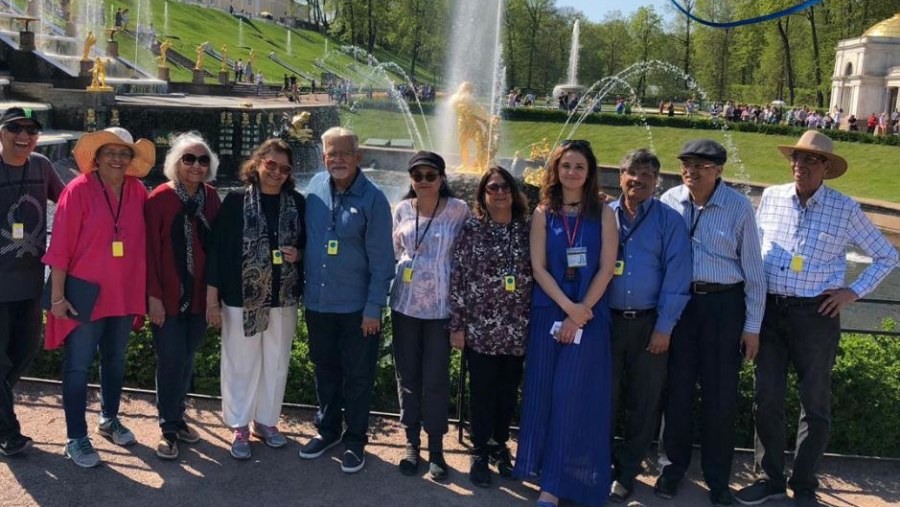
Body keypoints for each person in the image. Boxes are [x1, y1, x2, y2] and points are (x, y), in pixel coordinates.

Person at [736, 131, 898, 507]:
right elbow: (753, 249)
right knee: (766, 399)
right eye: (796, 158)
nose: (800, 166)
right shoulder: (772, 198)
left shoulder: (845, 209)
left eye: (810, 160)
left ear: (826, 167)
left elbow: (887, 256)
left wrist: (852, 292)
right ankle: (770, 478)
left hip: (816, 316)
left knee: (815, 403)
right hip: (771, 312)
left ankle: (805, 485)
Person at [656, 139, 766, 505]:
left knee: (720, 395)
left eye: (701, 166)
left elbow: (753, 271)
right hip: (681, 307)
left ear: (719, 170)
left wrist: (752, 326)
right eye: (686, 164)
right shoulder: (670, 200)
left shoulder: (737, 207)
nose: (691, 171)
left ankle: (718, 478)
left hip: (723, 306)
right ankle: (673, 467)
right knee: (678, 391)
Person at [513, 140, 618, 507]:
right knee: (543, 394)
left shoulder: (604, 213)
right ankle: (546, 475)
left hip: (590, 317)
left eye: (579, 167)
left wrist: (581, 311)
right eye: (565, 166)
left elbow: (607, 269)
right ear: (555, 170)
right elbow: (538, 268)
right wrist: (567, 308)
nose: (571, 172)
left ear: (589, 173)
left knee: (572, 397)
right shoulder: (544, 212)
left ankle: (557, 485)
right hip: (550, 312)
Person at [43, 127, 155, 468]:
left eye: (124, 153)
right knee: (78, 366)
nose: (118, 159)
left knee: (115, 361)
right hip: (84, 296)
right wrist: (57, 297)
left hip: (123, 294)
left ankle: (109, 418)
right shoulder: (77, 190)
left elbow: (148, 244)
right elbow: (59, 247)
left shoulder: (138, 191)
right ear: (97, 157)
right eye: (111, 152)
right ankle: (76, 437)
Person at [299, 127, 393, 473]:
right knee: (325, 370)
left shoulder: (374, 198)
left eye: (344, 153)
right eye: (331, 154)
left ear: (358, 157)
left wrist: (374, 308)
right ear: (323, 157)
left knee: (357, 376)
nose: (337, 159)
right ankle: (328, 431)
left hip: (356, 309)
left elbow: (383, 262)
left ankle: (355, 439)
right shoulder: (313, 189)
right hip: (318, 303)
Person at [206, 139, 304, 460]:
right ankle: (239, 424)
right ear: (258, 163)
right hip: (240, 298)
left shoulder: (298, 203)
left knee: (276, 363)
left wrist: (299, 253)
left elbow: (308, 247)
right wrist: (212, 300)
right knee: (240, 362)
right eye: (271, 164)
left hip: (283, 297)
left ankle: (266, 421)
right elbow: (217, 253)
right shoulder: (235, 202)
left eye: (284, 168)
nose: (277, 172)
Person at [606, 149, 691, 503]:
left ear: (656, 182)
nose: (637, 180)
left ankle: (626, 473)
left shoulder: (669, 221)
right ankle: (602, 464)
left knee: (643, 403)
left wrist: (665, 327)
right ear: (620, 175)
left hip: (649, 324)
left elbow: (677, 277)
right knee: (603, 398)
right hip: (605, 323)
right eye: (631, 173)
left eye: (646, 175)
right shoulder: (602, 215)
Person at [449, 166, 532, 488]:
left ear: (513, 191)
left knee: (508, 393)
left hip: (516, 328)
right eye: (492, 188)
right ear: (483, 195)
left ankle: (500, 446)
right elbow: (458, 278)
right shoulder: (472, 229)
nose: (499, 192)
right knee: (482, 393)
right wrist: (458, 326)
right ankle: (480, 450)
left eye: (504, 187)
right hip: (481, 330)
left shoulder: (527, 229)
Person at [390, 151, 470, 480]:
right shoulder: (401, 209)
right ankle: (411, 444)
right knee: (408, 379)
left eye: (430, 175)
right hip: (405, 307)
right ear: (411, 179)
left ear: (442, 178)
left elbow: (466, 259)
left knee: (435, 381)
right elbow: (395, 251)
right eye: (417, 175)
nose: (423, 181)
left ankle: (436, 448)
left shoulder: (458, 211)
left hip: (440, 310)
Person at [145, 132, 222, 460]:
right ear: (176, 163)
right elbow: (147, 251)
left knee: (187, 356)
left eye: (203, 160)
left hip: (200, 297)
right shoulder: (160, 198)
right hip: (168, 296)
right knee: (170, 357)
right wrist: (153, 298)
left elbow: (218, 251)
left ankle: (177, 416)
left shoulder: (211, 198)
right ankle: (168, 428)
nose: (196, 165)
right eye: (189, 159)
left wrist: (214, 299)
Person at [0, 108, 63, 457]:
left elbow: (69, 203)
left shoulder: (40, 165)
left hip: (29, 285)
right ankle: (8, 433)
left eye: (32, 129)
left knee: (24, 352)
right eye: (15, 128)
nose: (24, 135)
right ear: (1, 132)